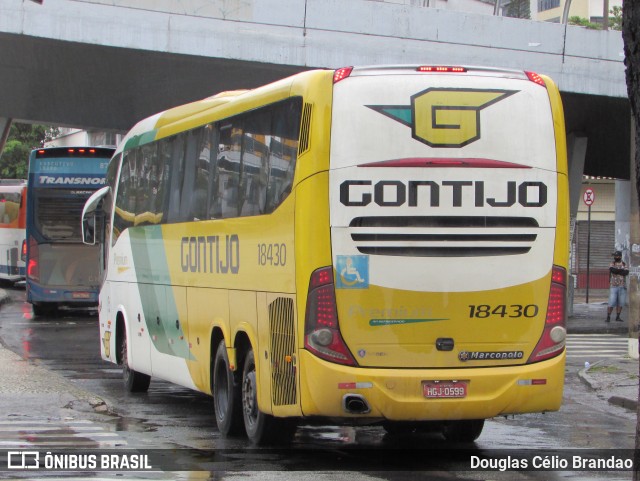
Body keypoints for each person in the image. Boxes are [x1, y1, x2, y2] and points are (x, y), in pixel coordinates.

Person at [606, 250, 628, 322]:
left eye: (617, 256)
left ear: (620, 256)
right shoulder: (612, 263)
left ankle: (618, 317)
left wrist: (618, 271)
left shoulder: (624, 264)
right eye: (615, 256)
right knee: (611, 302)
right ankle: (608, 316)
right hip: (613, 286)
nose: (615, 257)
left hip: (622, 286)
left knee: (620, 303)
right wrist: (621, 270)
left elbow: (626, 272)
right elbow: (613, 270)